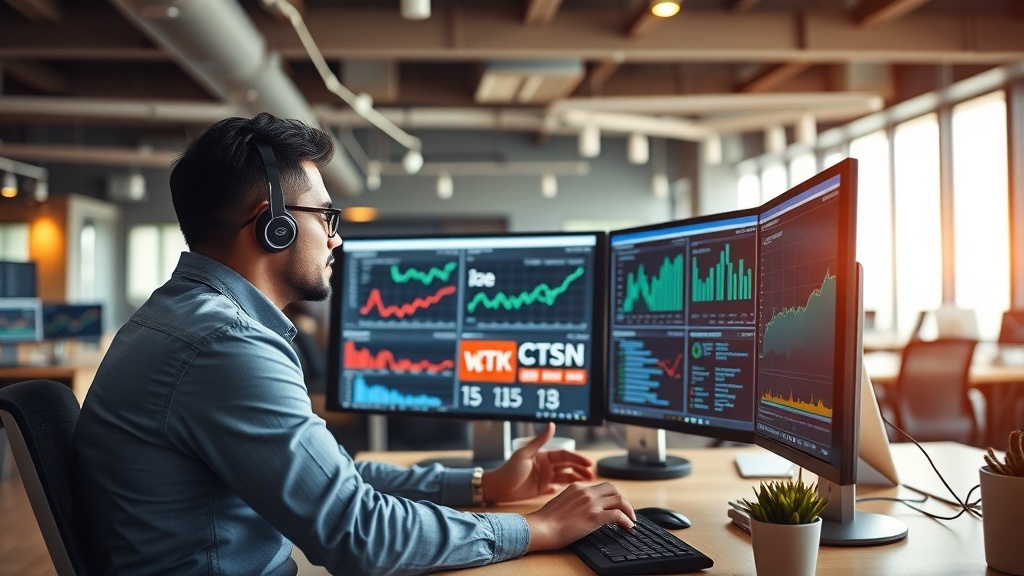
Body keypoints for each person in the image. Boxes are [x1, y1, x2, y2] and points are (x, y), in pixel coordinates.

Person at [73, 112, 636, 575]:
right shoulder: (226, 344)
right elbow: (358, 535)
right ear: (272, 223)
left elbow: (335, 476)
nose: (337, 235)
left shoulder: (179, 317)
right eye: (325, 215)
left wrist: (482, 484)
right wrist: (541, 526)